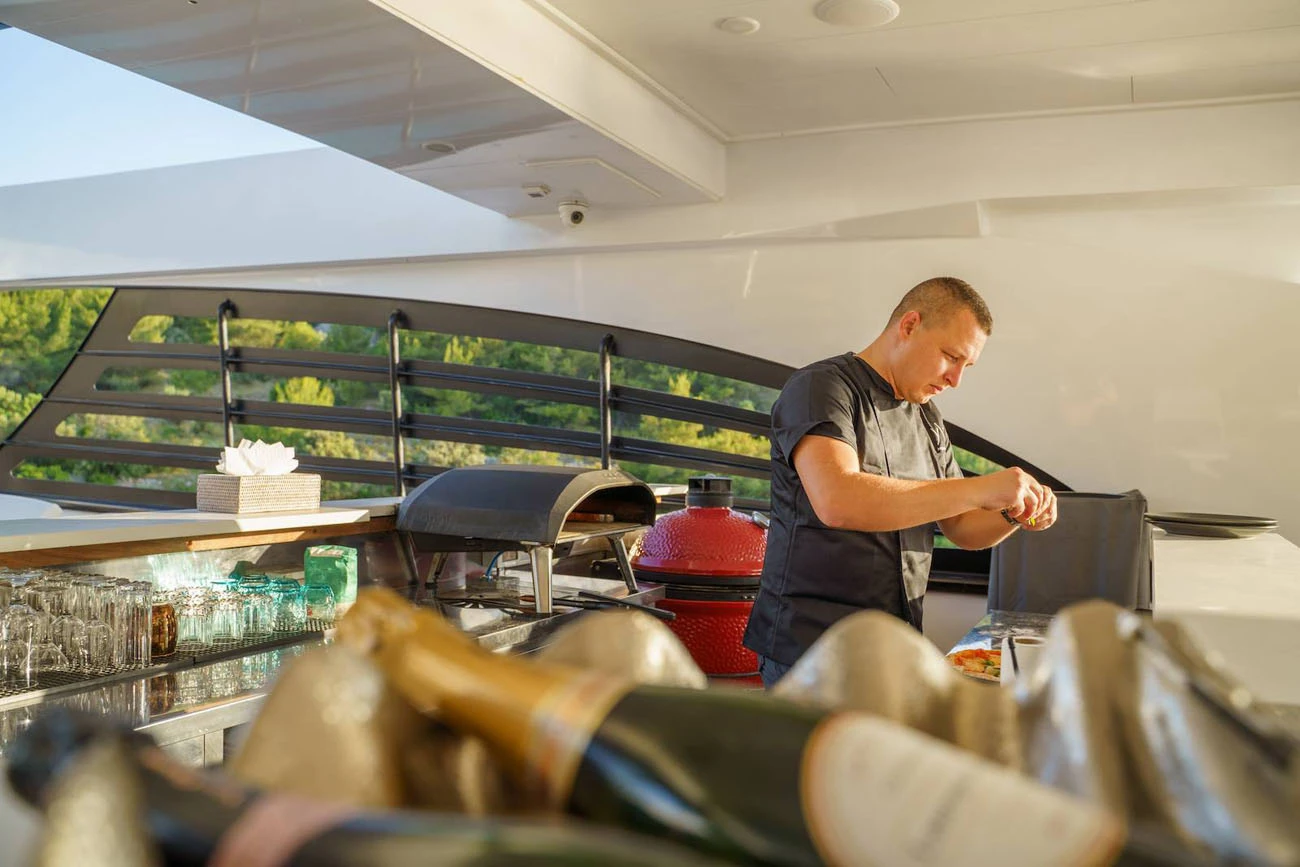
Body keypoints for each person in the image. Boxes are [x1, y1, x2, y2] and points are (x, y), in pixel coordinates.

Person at [742, 277, 1057, 688]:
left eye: (967, 366)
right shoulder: (821, 388)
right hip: (812, 650)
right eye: (950, 357)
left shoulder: (927, 418)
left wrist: (1014, 512)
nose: (955, 379)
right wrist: (981, 488)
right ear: (909, 326)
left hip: (894, 646)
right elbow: (838, 500)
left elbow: (961, 527)